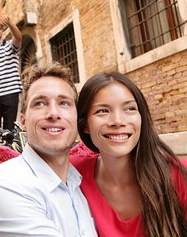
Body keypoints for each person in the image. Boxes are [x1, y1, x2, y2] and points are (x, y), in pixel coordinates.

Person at [0, 62, 97, 236]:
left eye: (64, 103)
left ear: (76, 117)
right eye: (39, 103)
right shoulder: (8, 187)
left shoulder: (78, 182)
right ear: (23, 121)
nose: (53, 113)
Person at [70, 72, 187, 236]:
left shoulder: (179, 174)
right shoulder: (73, 175)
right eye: (103, 111)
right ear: (85, 125)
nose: (118, 121)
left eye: (130, 109)